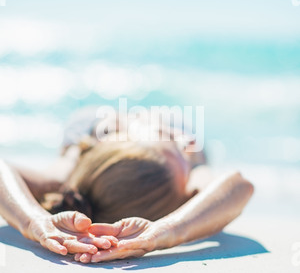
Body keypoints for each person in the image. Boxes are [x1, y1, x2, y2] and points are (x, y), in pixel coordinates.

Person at [0, 106, 254, 263]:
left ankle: (130, 133)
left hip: (94, 131)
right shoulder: (191, 162)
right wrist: (167, 229)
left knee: (106, 125)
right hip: (133, 145)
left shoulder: (70, 169)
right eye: (170, 139)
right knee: (178, 131)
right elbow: (238, 185)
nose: (183, 141)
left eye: (170, 137)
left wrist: (32, 221)